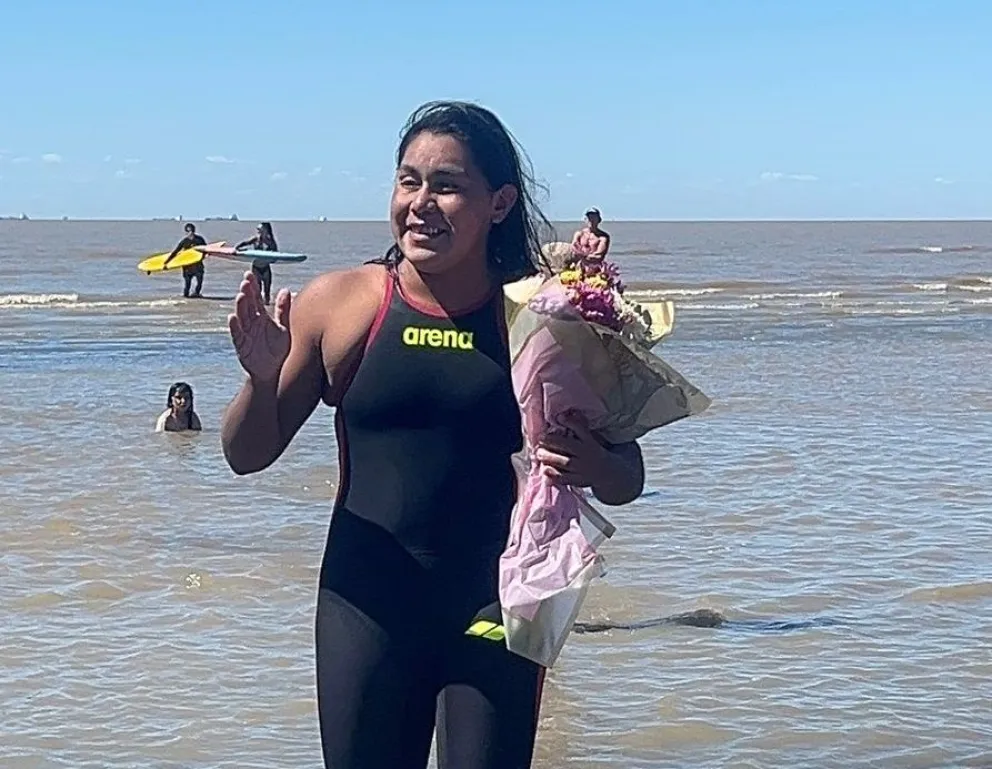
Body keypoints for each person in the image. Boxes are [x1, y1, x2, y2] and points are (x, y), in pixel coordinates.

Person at [220, 100, 645, 769]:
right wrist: (263, 380)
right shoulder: (343, 303)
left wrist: (591, 459)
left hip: (498, 604)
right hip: (366, 606)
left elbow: (628, 478)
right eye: (408, 181)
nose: (420, 203)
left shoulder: (540, 320)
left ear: (499, 202)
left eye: (446, 185)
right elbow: (245, 454)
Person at [236, 222, 279, 305]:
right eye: (258, 230)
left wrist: (271, 260)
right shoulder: (255, 239)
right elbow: (244, 243)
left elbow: (276, 255)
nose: (258, 231)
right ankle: (258, 307)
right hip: (256, 268)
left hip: (266, 268)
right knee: (257, 290)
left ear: (266, 230)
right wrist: (236, 249)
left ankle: (267, 307)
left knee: (267, 291)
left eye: (260, 229)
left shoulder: (271, 242)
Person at [163, 223, 207, 298]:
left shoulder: (200, 240)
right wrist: (166, 263)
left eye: (192, 231)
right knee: (187, 285)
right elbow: (175, 252)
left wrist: (205, 255)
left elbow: (206, 249)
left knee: (200, 282)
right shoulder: (184, 241)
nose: (191, 233)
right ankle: (185, 298)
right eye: (189, 231)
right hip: (187, 267)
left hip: (198, 265)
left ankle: (196, 294)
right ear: (186, 232)